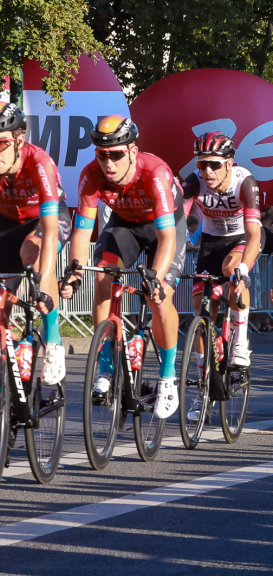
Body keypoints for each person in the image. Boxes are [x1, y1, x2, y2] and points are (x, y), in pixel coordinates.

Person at [61, 115, 186, 420]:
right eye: (102, 155)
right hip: (124, 226)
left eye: (116, 154)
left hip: (164, 228)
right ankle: (106, 367)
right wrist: (75, 270)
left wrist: (156, 278)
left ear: (132, 150)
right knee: (104, 278)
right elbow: (81, 232)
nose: (109, 163)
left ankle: (168, 377)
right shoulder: (91, 174)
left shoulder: (153, 172)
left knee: (159, 298)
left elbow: (167, 236)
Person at [0, 100, 71, 390]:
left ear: (18, 139)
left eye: (0, 143)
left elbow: (49, 231)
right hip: (6, 225)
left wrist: (42, 278)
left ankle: (52, 343)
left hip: (45, 221)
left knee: (31, 252)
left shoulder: (39, 162)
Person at [179, 133, 261, 418]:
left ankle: (240, 342)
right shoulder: (194, 181)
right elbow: (180, 221)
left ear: (230, 162)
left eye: (214, 165)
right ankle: (203, 390)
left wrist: (244, 270)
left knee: (231, 271)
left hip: (241, 240)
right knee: (201, 312)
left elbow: (254, 236)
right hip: (211, 243)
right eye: (202, 165)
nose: (208, 172)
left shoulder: (244, 182)